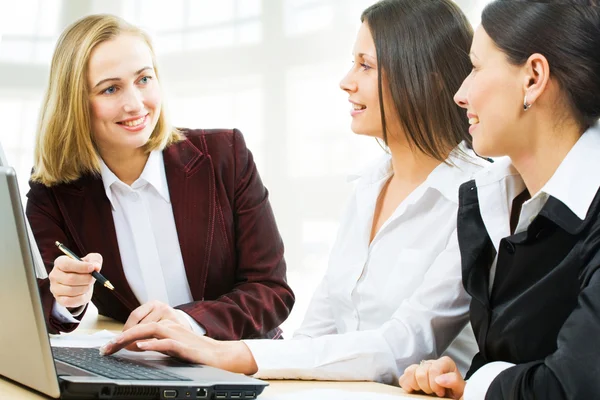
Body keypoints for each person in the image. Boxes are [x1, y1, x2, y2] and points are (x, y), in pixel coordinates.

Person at [101, 0, 489, 384]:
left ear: (428, 77)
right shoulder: (368, 187)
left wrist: (228, 353)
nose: (346, 81)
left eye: (366, 65)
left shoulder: (477, 197)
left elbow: (402, 346)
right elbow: (317, 330)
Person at [26, 14, 295, 340]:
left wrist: (187, 323)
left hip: (236, 360)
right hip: (137, 365)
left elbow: (271, 290)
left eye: (144, 79)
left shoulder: (226, 155)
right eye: (110, 89)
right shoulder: (53, 190)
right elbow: (39, 308)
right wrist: (67, 300)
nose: (135, 104)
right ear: (75, 104)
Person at [399, 0, 600, 399]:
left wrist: (481, 384)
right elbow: (514, 358)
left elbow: (572, 386)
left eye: (475, 68)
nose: (460, 94)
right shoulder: (493, 202)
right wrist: (458, 382)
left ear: (533, 78)